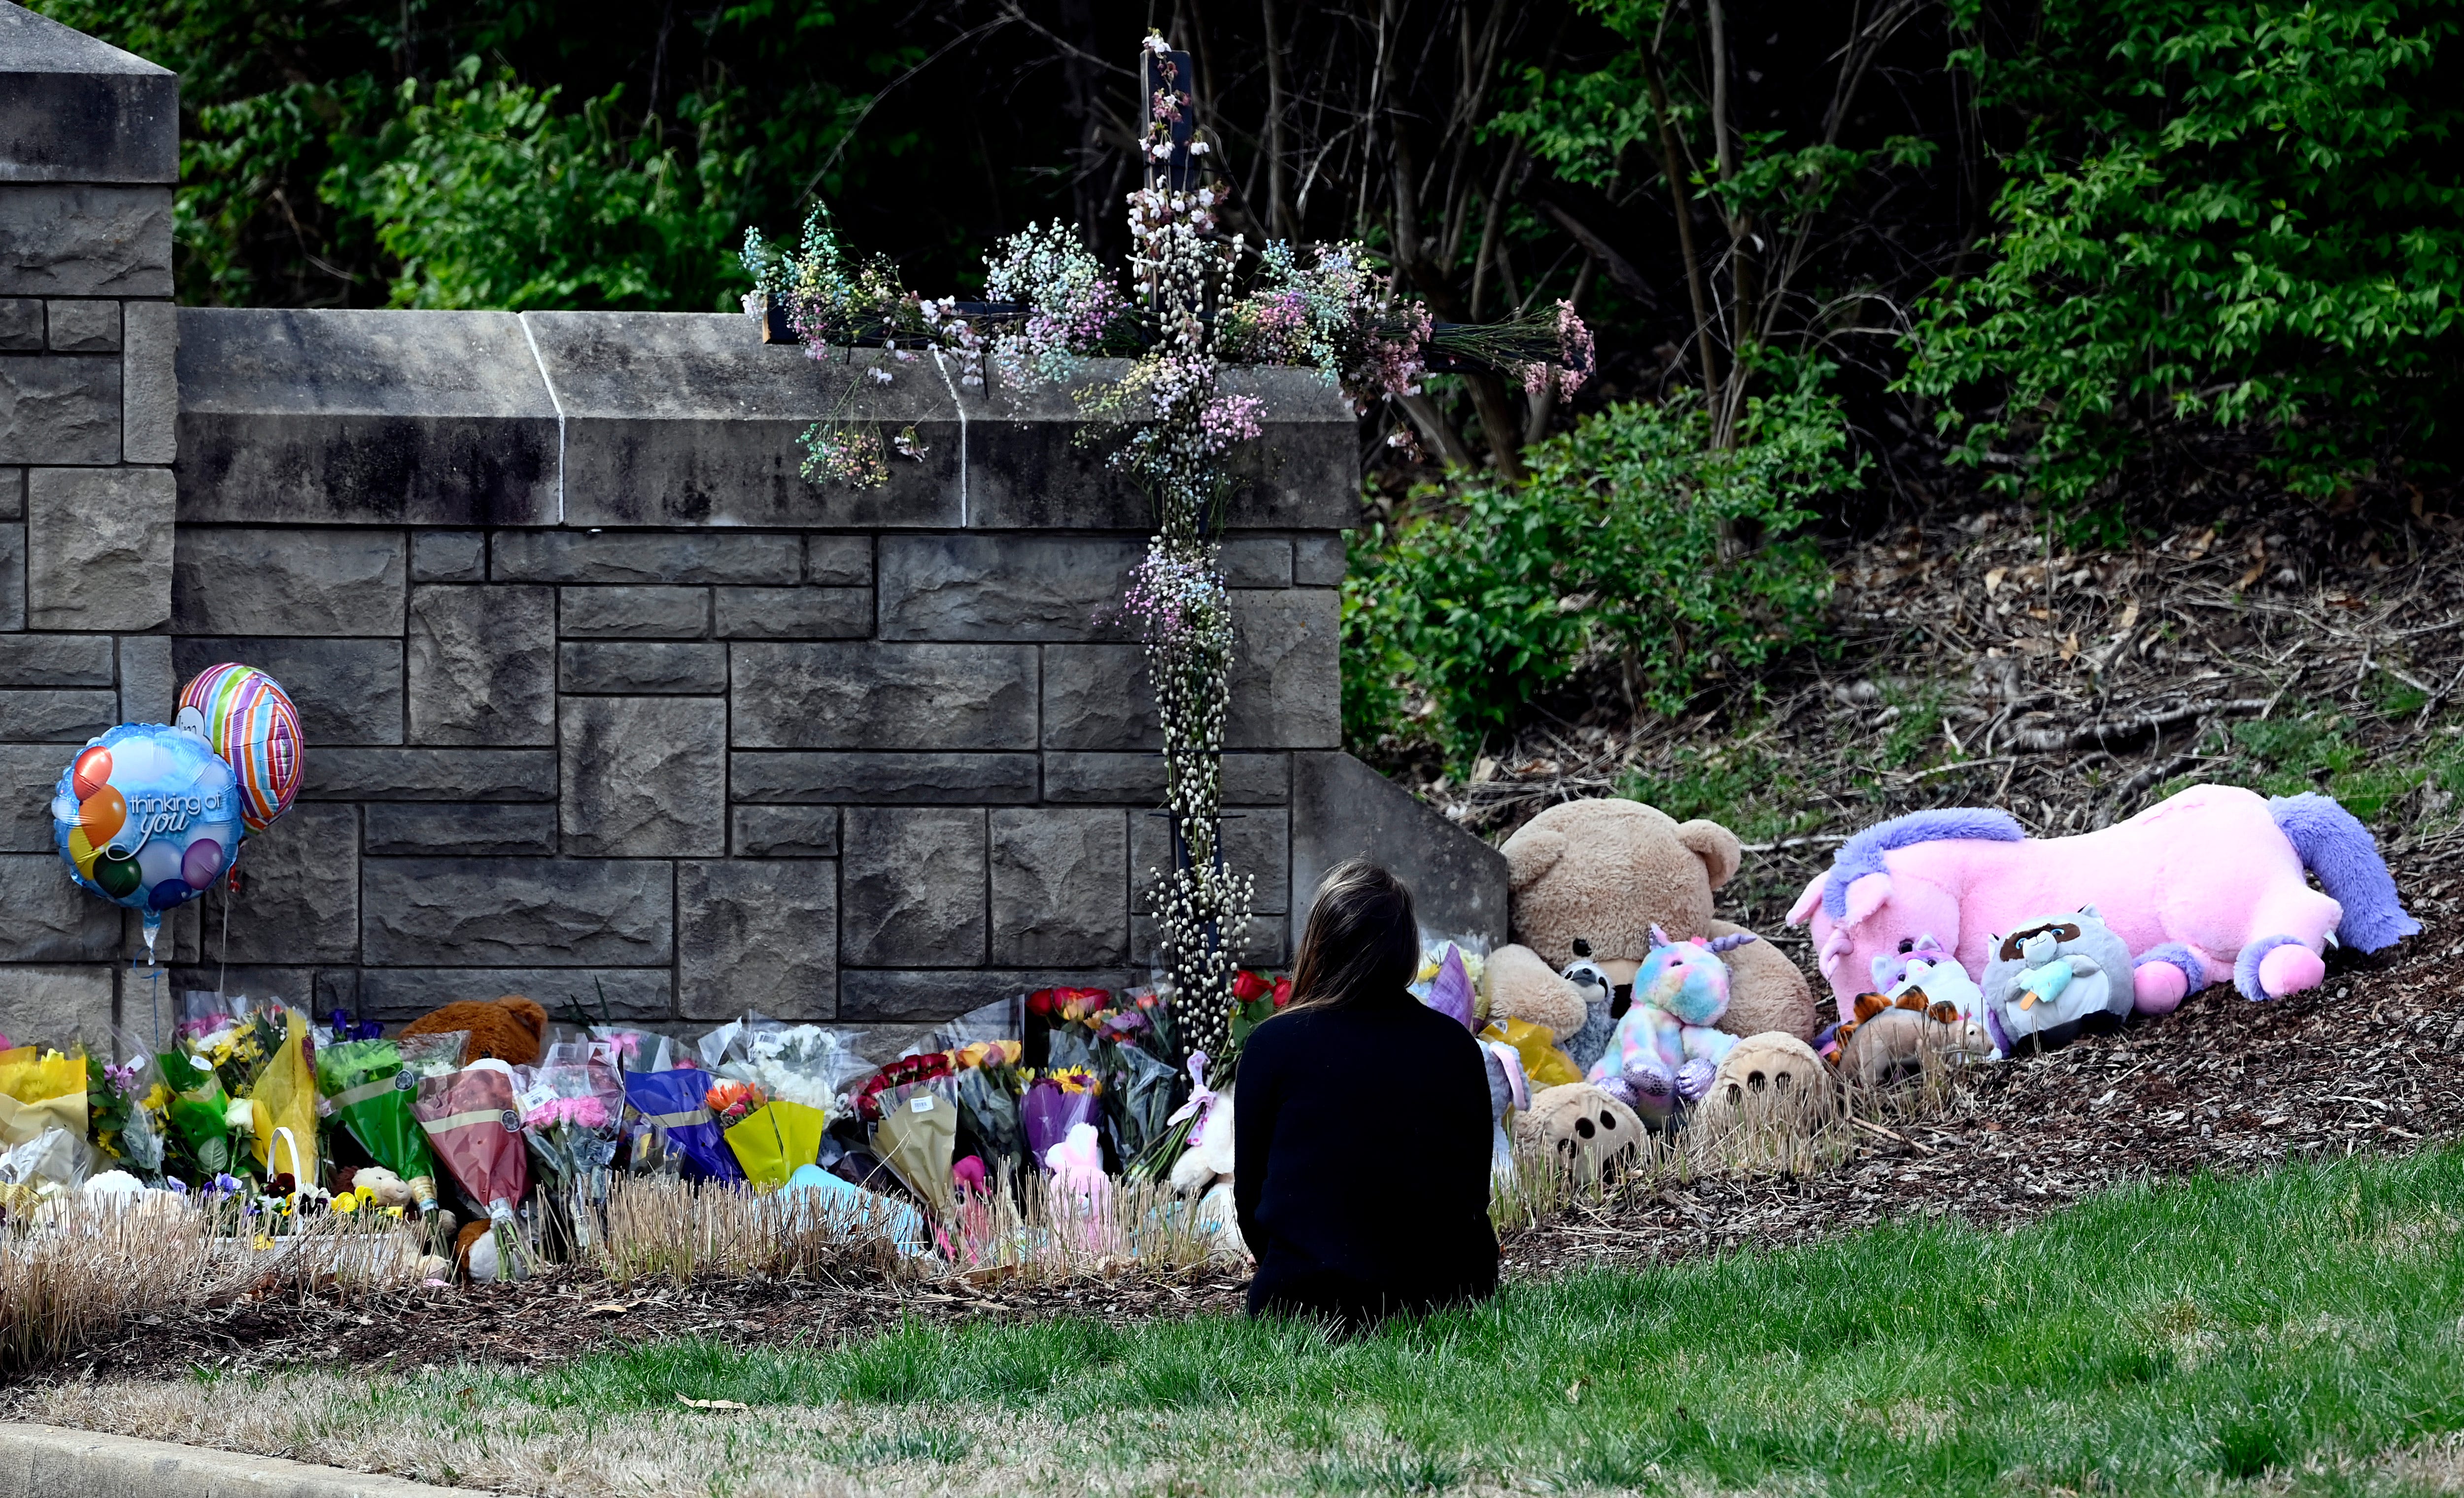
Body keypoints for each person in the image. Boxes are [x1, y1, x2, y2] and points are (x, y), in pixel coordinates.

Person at [1233, 859, 1499, 1327]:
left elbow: (1251, 1200)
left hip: (1305, 1302)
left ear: (1318, 943)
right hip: (1450, 1296)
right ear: (1408, 950)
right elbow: (1473, 1190)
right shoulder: (1455, 1044)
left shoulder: (1272, 1045)